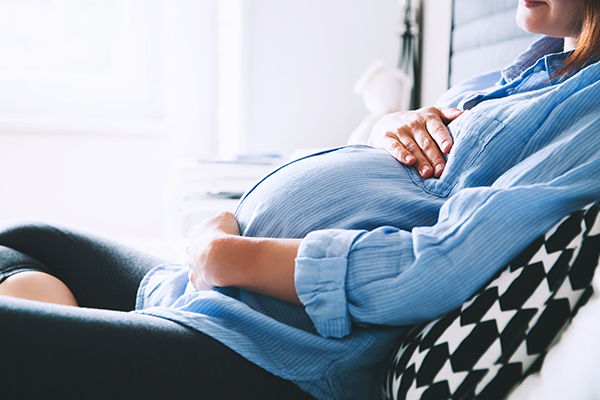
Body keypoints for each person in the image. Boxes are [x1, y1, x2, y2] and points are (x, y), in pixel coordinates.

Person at [1, 1, 599, 399]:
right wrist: (390, 123)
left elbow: (438, 263)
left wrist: (229, 258)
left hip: (272, 352)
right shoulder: (540, 64)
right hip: (214, 296)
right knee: (25, 244)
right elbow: (401, 172)